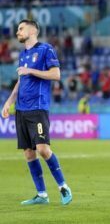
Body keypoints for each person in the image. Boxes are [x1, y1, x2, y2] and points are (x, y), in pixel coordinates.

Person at [1, 19, 72, 205]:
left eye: (21, 28)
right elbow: (20, 80)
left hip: (37, 108)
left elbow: (56, 74)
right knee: (29, 153)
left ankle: (63, 187)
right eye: (18, 29)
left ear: (33, 30)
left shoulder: (46, 49)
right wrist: (8, 102)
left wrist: (30, 70)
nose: (18, 32)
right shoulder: (23, 54)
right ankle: (41, 195)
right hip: (21, 110)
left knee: (42, 149)